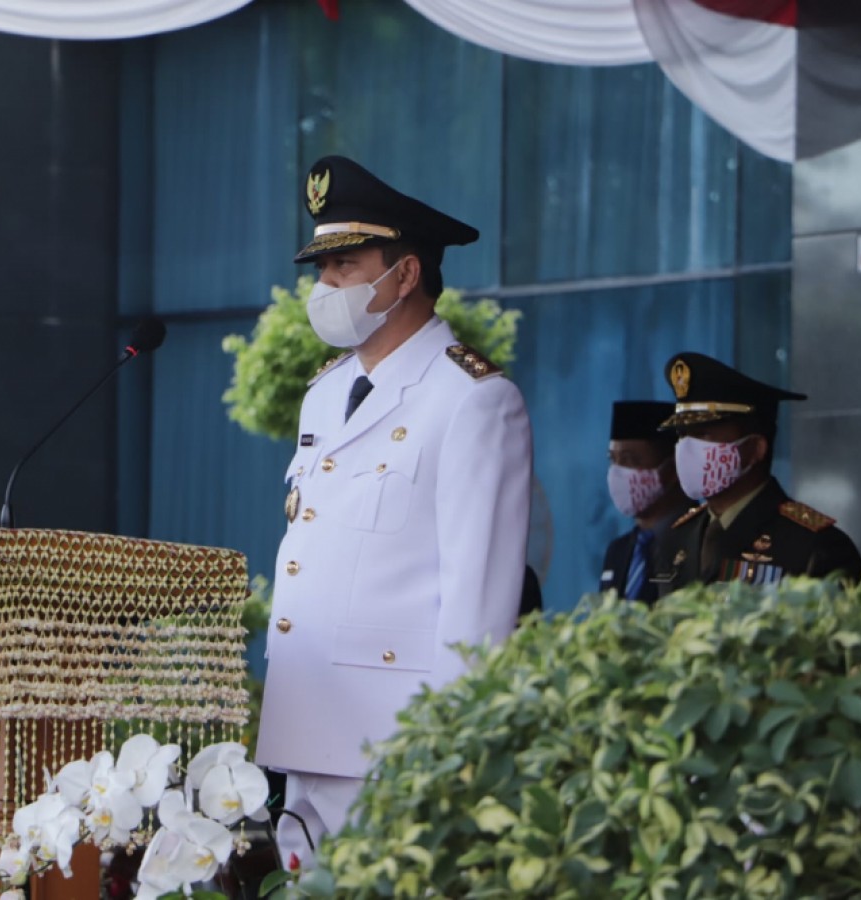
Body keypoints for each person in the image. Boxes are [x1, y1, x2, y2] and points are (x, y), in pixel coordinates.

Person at [254, 155, 532, 867]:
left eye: (345, 264)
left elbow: (479, 606)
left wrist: (447, 755)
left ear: (405, 275)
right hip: (304, 727)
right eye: (321, 268)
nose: (326, 285)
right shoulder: (324, 393)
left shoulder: (471, 398)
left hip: (394, 744)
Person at [648, 352, 861, 597]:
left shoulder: (814, 545)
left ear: (754, 449)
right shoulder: (675, 536)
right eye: (682, 434)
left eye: (703, 435)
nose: (686, 448)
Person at [598, 400, 689, 603]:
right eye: (613, 460)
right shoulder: (618, 551)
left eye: (630, 460)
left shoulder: (701, 542)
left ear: (673, 469)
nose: (618, 473)